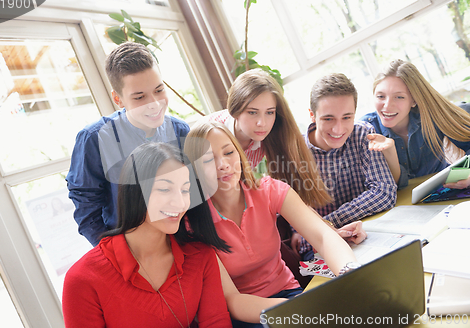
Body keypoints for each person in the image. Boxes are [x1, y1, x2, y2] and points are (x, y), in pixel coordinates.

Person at [184, 120, 366, 328]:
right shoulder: (193, 224)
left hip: (289, 293)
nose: (223, 164)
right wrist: (292, 309)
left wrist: (350, 272)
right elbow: (232, 300)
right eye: (208, 160)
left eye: (228, 152)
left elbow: (323, 236)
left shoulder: (269, 189)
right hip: (247, 314)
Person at [62, 142, 232, 328]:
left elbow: (216, 322)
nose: (180, 203)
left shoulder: (200, 256)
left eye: (185, 190)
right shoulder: (82, 279)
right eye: (165, 189)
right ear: (134, 191)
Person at [66, 42, 189, 246]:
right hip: (130, 252)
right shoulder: (94, 139)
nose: (155, 103)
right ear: (118, 99)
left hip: (180, 244)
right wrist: (119, 255)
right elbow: (87, 211)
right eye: (140, 97)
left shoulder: (180, 131)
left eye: (159, 90)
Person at [294, 73, 397, 257]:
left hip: (369, 230)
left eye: (346, 117)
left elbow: (384, 192)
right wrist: (330, 231)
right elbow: (300, 238)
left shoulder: (362, 134)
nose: (338, 129)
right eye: (328, 119)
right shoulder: (294, 154)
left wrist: (327, 223)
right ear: (312, 115)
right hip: (322, 248)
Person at [208, 69, 331, 208]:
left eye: (269, 112)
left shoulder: (267, 136)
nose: (262, 123)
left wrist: (328, 225)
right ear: (234, 111)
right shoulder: (211, 133)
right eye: (252, 112)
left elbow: (293, 198)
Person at [361, 59, 470, 190]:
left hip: (444, 190)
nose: (387, 105)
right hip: (399, 202)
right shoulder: (366, 131)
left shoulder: (432, 115)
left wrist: (465, 173)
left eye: (399, 97)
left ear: (413, 100)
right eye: (380, 96)